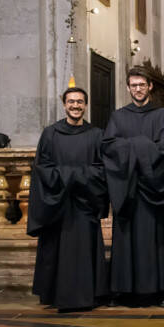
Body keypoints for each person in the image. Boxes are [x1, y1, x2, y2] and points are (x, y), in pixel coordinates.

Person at [101, 67, 164, 308]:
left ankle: (160, 291)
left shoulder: (163, 116)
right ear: (128, 88)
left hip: (155, 187)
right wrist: (143, 145)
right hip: (128, 189)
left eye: (141, 85)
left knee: (157, 241)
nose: (137, 89)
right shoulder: (118, 117)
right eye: (133, 85)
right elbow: (109, 147)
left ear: (150, 87)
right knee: (127, 240)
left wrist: (132, 147)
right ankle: (125, 290)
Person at [27, 87, 108, 312]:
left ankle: (87, 295)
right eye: (71, 102)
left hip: (84, 202)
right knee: (56, 249)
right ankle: (54, 294)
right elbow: (42, 168)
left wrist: (70, 175)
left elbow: (102, 170)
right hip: (57, 202)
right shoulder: (50, 134)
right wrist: (74, 176)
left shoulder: (96, 135)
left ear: (86, 105)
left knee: (84, 250)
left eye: (80, 102)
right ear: (64, 105)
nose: (75, 106)